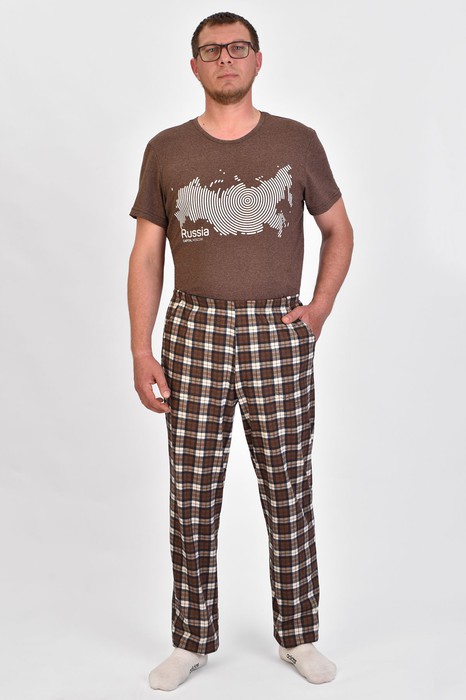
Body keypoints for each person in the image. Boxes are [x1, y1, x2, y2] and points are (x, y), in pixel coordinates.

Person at [128, 11, 353, 692]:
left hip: (275, 329)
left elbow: (339, 231)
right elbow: (146, 256)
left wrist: (319, 308)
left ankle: (298, 634)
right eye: (211, 50)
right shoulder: (166, 149)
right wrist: (141, 348)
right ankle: (191, 639)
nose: (225, 58)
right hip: (193, 327)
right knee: (192, 493)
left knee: (288, 487)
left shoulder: (297, 141)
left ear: (257, 59)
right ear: (194, 65)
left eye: (238, 47)